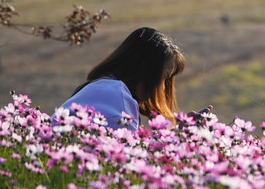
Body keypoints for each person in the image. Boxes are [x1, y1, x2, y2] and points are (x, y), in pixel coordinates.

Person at [57, 27, 185, 130]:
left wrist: (182, 133)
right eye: (164, 77)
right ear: (145, 68)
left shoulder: (102, 88)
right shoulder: (116, 93)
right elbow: (131, 157)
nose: (163, 87)